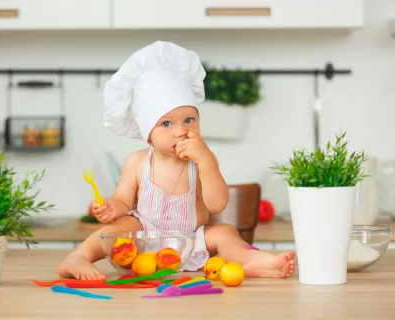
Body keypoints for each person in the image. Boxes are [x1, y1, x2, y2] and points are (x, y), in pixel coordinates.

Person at [57, 41, 295, 280]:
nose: (181, 130)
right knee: (115, 228)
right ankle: (78, 257)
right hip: (143, 243)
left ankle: (252, 261)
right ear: (148, 133)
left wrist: (207, 162)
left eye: (189, 120)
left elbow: (217, 204)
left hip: (191, 241)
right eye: (167, 123)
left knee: (225, 232)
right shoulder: (138, 162)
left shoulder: (202, 161)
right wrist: (112, 208)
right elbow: (123, 201)